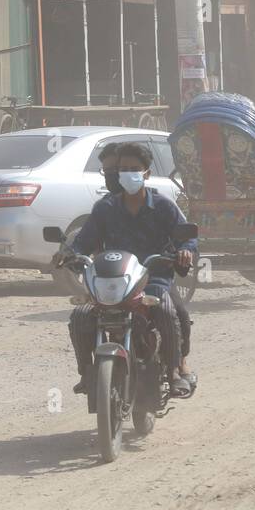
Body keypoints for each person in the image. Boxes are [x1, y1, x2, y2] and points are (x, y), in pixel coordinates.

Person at [65, 141, 198, 398]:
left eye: (133, 169)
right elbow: (83, 241)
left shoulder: (163, 206)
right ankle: (87, 373)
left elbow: (188, 239)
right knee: (81, 315)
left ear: (146, 172)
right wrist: (69, 253)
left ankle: (173, 370)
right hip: (111, 281)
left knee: (168, 311)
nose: (125, 174)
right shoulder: (105, 208)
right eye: (121, 169)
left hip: (153, 277)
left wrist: (186, 251)